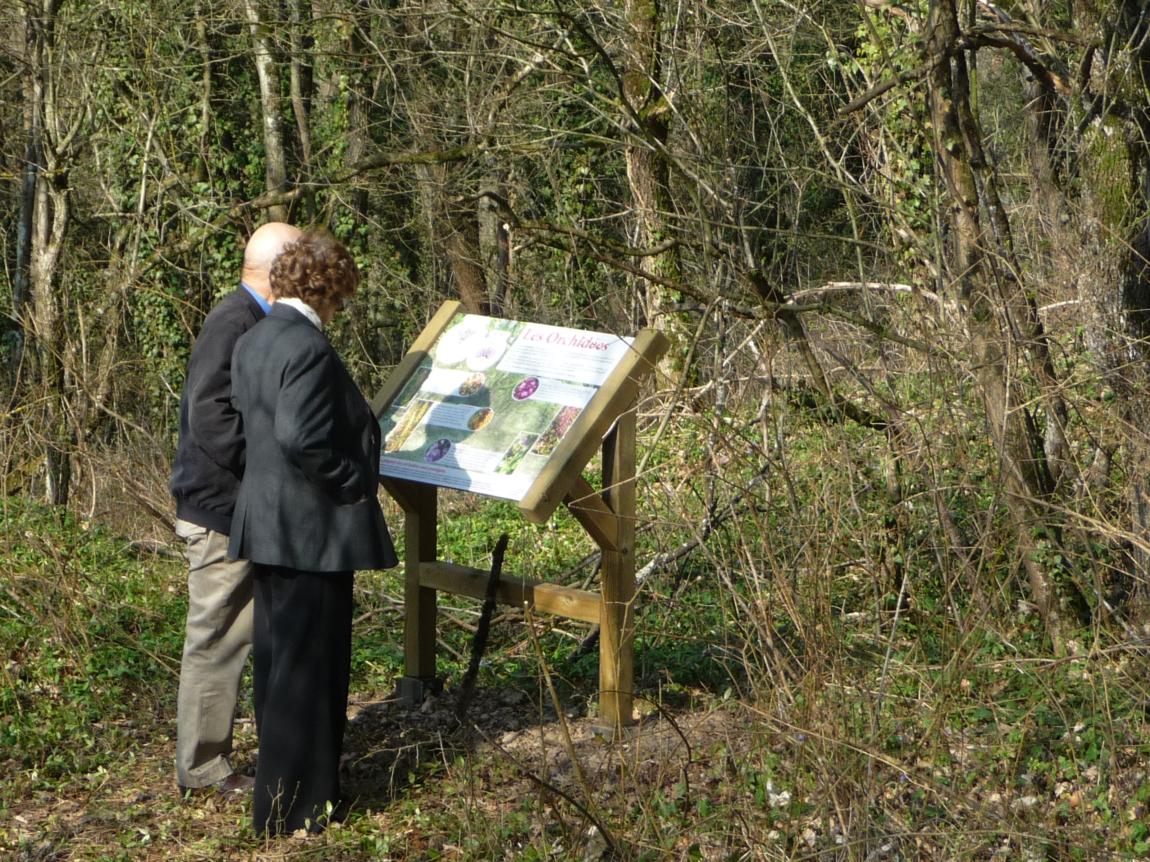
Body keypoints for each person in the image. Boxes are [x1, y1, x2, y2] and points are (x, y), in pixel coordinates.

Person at [228, 228, 398, 836]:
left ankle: (278, 803)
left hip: (267, 525)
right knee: (312, 667)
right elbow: (301, 436)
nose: (343, 304)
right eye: (341, 292)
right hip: (310, 532)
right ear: (327, 287)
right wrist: (351, 478)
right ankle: (303, 807)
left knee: (278, 665)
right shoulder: (307, 348)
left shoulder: (254, 340)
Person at [170, 221, 302, 795]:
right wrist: (267, 466)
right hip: (220, 509)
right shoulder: (234, 320)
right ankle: (201, 769)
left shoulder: (255, 319)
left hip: (242, 506)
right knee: (216, 636)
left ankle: (218, 760)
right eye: (298, 264)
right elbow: (210, 416)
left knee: (241, 634)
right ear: (276, 270)